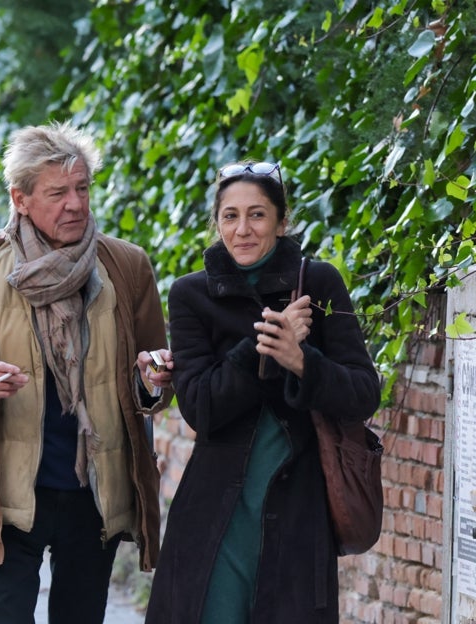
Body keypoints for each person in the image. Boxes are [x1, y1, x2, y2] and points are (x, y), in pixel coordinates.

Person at [0, 120, 174, 624]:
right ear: (20, 199)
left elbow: (152, 375)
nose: (76, 204)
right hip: (7, 495)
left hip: (95, 495)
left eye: (82, 188)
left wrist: (153, 381)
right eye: (58, 193)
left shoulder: (127, 268)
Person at [145, 161, 381, 623]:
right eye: (230, 216)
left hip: (299, 511)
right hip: (217, 512)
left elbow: (362, 393)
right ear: (217, 223)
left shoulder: (319, 284)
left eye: (257, 215)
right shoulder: (192, 295)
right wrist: (263, 349)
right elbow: (201, 407)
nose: (242, 230)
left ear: (281, 220)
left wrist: (302, 363)